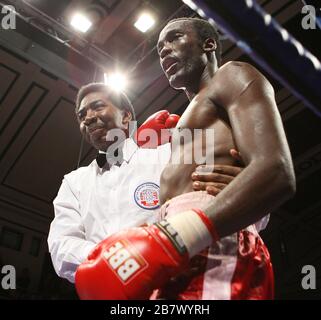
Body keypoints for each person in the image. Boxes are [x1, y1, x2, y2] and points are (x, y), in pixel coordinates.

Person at [75, 17, 296, 300]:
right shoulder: (183, 125)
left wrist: (175, 237)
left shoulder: (232, 75)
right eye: (159, 48)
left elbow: (277, 171)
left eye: (175, 38)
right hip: (179, 251)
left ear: (209, 44)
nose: (164, 50)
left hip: (215, 248)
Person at [47, 82, 242, 284]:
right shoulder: (73, 182)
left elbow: (233, 200)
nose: (88, 117)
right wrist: (116, 258)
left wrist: (238, 189)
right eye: (81, 115)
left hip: (177, 286)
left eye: (97, 106)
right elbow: (61, 245)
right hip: (107, 290)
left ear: (126, 116)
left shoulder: (169, 155)